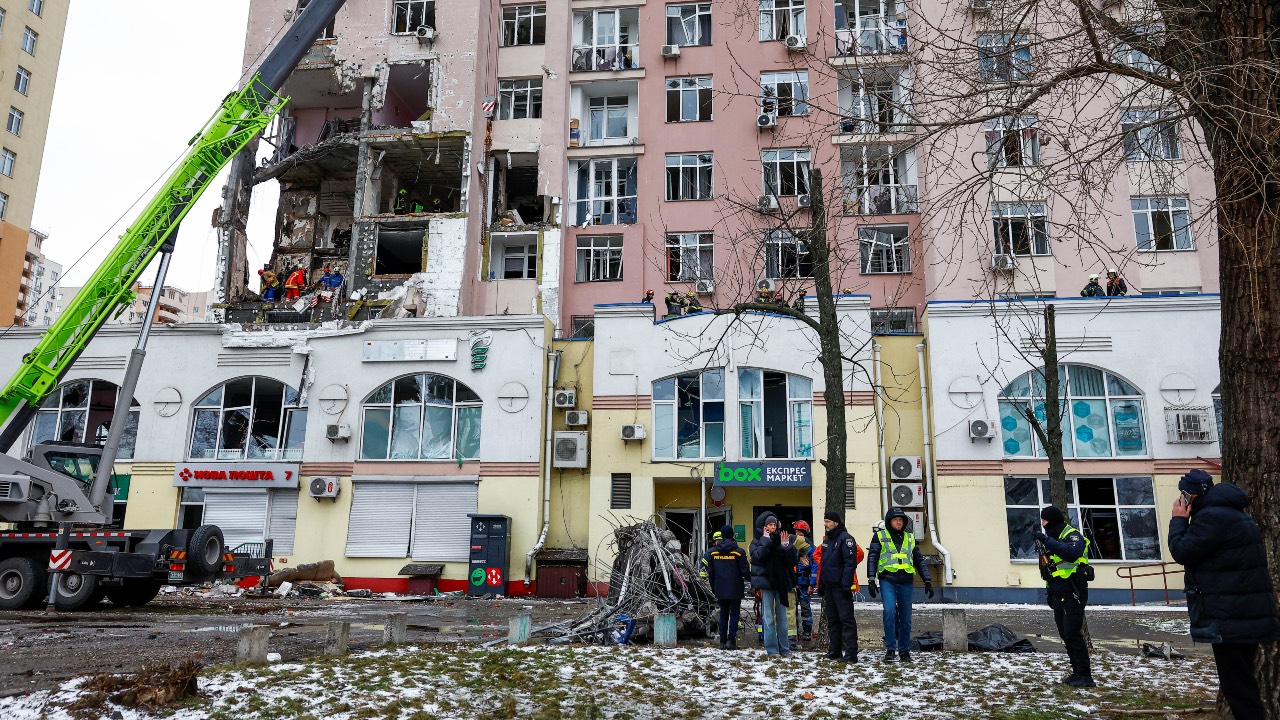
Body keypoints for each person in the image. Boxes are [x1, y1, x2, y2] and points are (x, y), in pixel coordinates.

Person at [1169, 469, 1280, 718]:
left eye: (1184, 494)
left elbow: (1182, 551)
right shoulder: (1231, 514)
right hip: (1241, 613)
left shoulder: (1212, 518)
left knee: (1238, 689)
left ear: (1194, 495)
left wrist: (1178, 520)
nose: (1181, 500)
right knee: (1241, 685)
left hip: (1231, 617)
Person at [1033, 505, 1094, 687]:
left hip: (1073, 591)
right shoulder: (1052, 538)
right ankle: (1076, 672)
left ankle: (1085, 675)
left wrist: (1044, 539)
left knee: (1073, 634)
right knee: (1065, 635)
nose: (1043, 524)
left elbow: (1072, 554)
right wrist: (1049, 592)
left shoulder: (1072, 535)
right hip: (1058, 593)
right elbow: (1049, 570)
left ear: (1052, 520)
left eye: (1045, 520)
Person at [867, 508, 933, 663]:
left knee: (906, 617)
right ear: (889, 521)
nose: (899, 522)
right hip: (887, 580)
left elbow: (919, 560)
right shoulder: (880, 536)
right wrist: (871, 579)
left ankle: (904, 651)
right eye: (895, 519)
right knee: (889, 612)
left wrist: (927, 580)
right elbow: (873, 557)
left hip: (906, 582)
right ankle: (890, 649)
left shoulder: (910, 538)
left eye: (901, 520)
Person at [749, 511, 797, 656]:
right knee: (768, 618)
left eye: (774, 525)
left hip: (781, 583)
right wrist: (765, 540)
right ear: (764, 526)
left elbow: (791, 561)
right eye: (769, 525)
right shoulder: (757, 541)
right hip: (766, 582)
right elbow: (758, 557)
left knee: (782, 618)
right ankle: (771, 649)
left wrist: (786, 547)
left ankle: (784, 648)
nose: (772, 527)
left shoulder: (780, 540)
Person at [819, 511, 863, 662]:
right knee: (833, 619)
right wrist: (821, 584)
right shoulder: (828, 540)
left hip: (841, 587)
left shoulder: (846, 539)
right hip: (830, 586)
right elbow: (823, 564)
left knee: (846, 619)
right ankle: (835, 650)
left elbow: (850, 563)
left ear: (836, 523)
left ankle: (851, 653)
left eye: (828, 521)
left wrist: (846, 584)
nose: (825, 524)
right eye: (825, 521)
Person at [705, 525, 750, 651]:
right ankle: (731, 641)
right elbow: (745, 571)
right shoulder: (738, 552)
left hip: (720, 588)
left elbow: (711, 573)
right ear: (732, 535)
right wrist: (755, 580)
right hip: (735, 588)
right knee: (734, 614)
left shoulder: (713, 552)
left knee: (723, 614)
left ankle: (722, 642)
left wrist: (714, 588)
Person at [792, 520, 817, 640]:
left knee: (805, 607)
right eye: (796, 532)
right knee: (792, 609)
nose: (797, 534)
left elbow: (814, 567)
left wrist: (812, 584)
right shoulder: (792, 547)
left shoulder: (811, 549)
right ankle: (794, 630)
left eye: (799, 532)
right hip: (792, 582)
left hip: (804, 583)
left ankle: (807, 631)